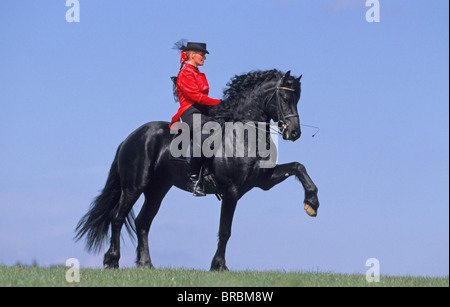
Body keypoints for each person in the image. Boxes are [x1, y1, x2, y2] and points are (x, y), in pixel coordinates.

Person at [170, 41, 221, 196]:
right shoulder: (185, 73)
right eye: (202, 54)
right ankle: (193, 178)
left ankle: (212, 172)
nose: (204, 58)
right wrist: (219, 103)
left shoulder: (197, 72)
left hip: (202, 111)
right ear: (192, 55)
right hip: (190, 112)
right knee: (206, 134)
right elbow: (196, 97)